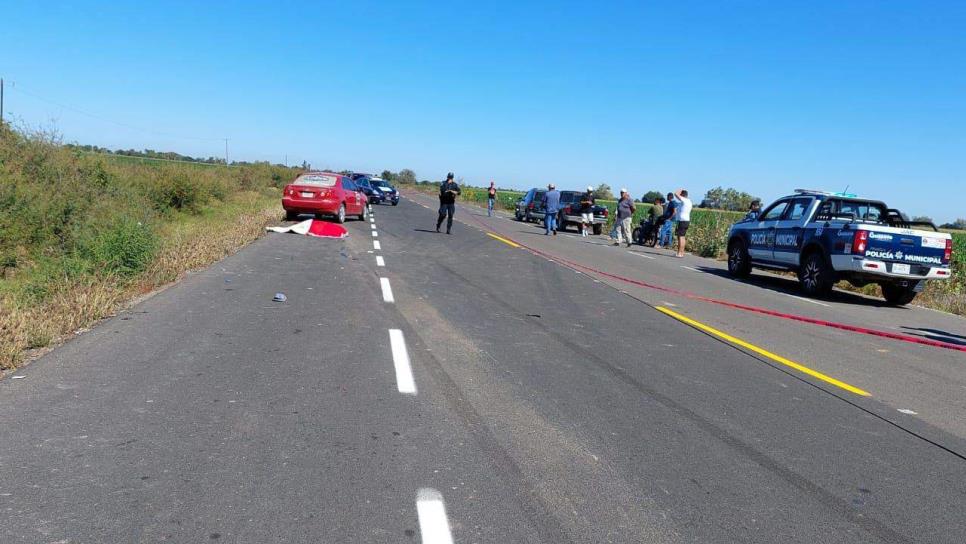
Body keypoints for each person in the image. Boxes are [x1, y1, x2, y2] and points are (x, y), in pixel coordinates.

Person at [672, 188, 693, 257]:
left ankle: (679, 253)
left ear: (682, 195)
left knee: (680, 237)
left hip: (682, 221)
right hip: (686, 220)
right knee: (682, 237)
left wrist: (680, 189)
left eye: (680, 195)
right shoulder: (689, 201)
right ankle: (681, 252)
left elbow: (675, 194)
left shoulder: (685, 200)